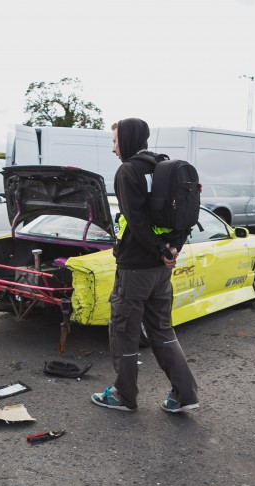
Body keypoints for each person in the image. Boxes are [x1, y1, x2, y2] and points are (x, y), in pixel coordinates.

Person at [91, 118, 199, 413]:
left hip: (136, 267)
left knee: (124, 330)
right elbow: (184, 214)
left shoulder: (128, 171)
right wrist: (171, 248)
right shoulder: (163, 166)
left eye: (114, 141)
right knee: (162, 330)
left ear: (126, 139)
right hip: (162, 269)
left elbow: (135, 219)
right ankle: (186, 395)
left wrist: (157, 249)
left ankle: (124, 396)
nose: (113, 148)